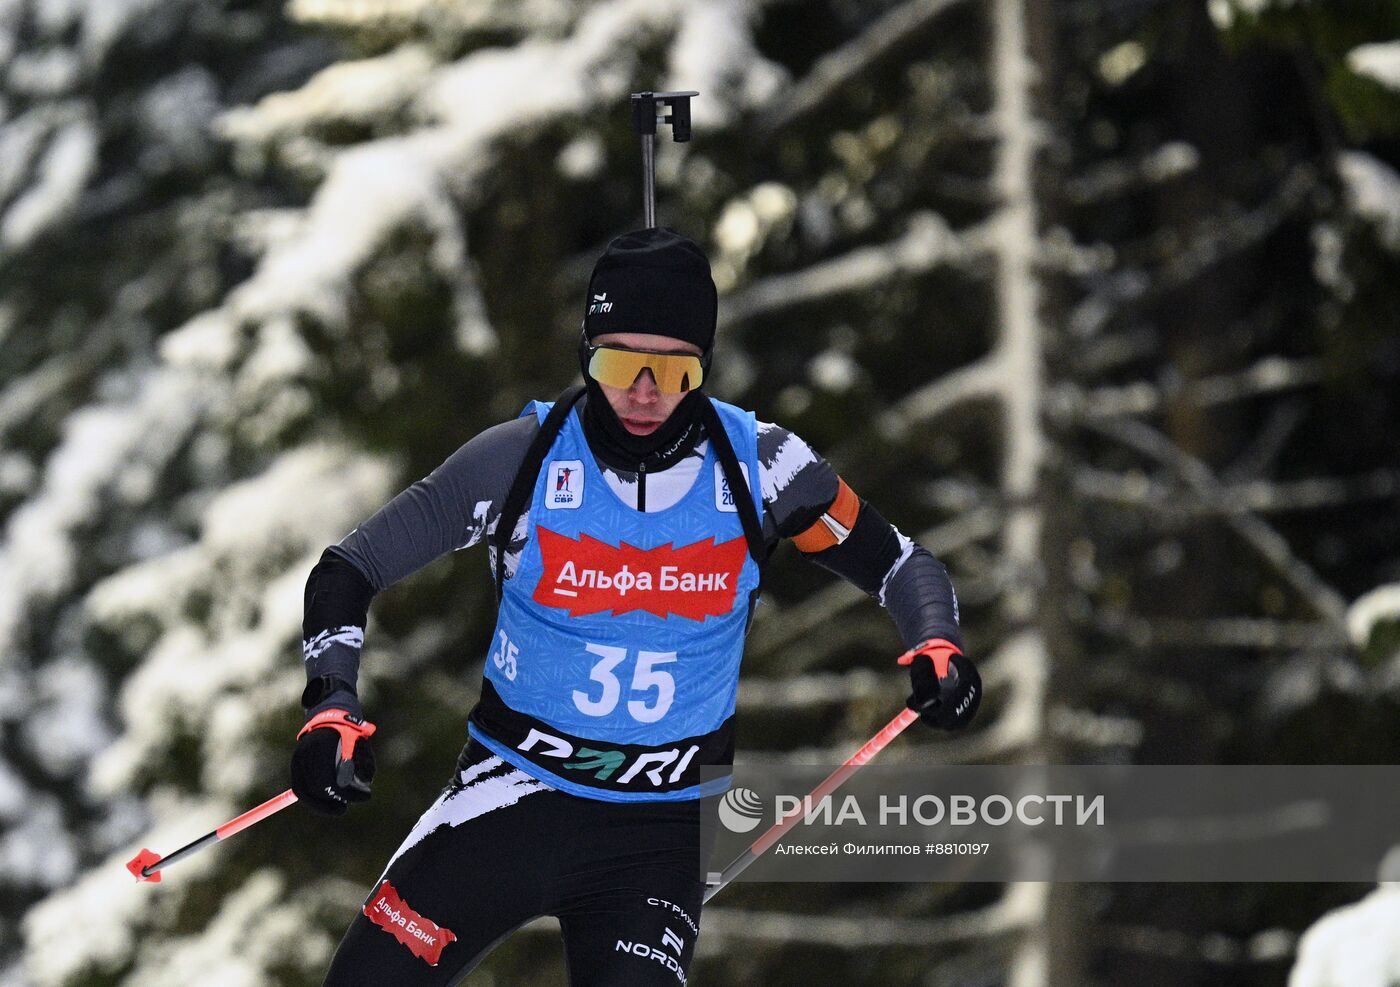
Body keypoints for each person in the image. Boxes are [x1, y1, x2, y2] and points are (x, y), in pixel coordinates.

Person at [291, 227, 980, 985]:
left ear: (704, 368)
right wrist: (331, 701)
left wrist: (937, 642)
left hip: (661, 831)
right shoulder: (521, 458)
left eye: (674, 369)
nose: (644, 393)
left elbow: (903, 564)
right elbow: (350, 567)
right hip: (510, 791)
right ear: (587, 355)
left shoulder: (766, 467)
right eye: (620, 364)